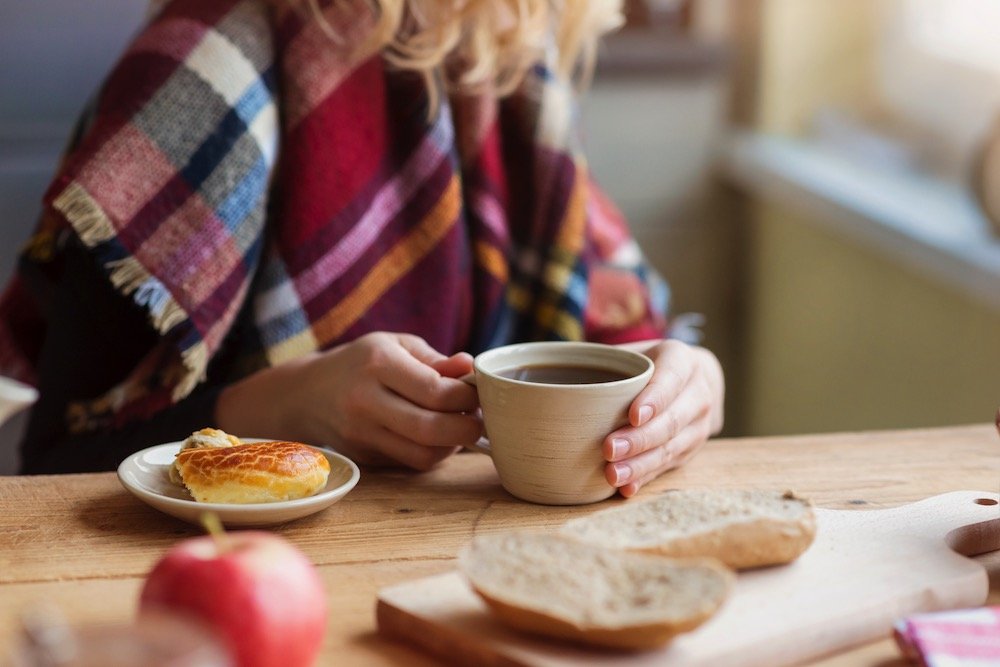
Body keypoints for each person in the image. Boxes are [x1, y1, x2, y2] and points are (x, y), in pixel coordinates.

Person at [0, 0, 724, 498]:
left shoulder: (505, 52)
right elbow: (55, 463)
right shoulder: (210, 60)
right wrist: (282, 408)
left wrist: (691, 387)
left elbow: (625, 340)